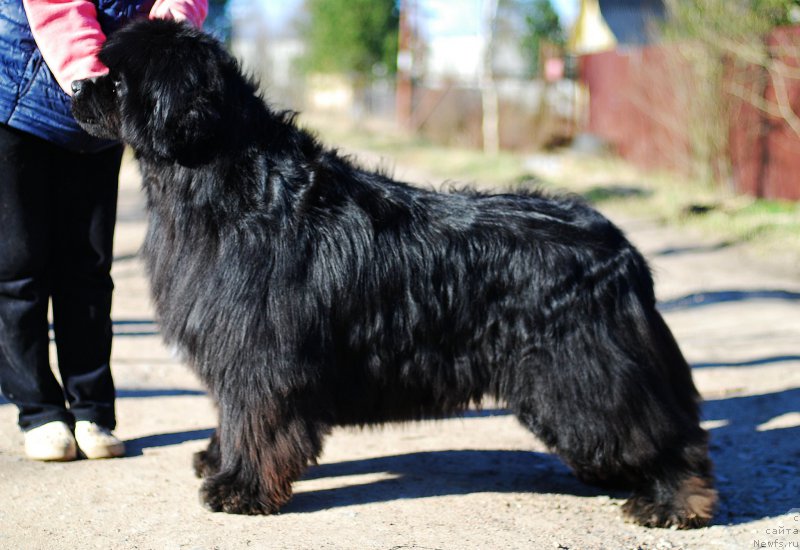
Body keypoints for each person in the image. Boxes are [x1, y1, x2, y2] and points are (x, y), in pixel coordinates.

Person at [0, 0, 207, 461]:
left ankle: (93, 410)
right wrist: (98, 81)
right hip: (22, 91)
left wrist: (162, 49)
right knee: (18, 269)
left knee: (89, 269)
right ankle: (39, 412)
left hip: (107, 101)